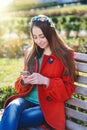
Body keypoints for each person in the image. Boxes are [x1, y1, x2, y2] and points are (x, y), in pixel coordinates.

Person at [0, 14, 76, 130]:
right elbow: (18, 86)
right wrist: (24, 81)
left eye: (42, 36)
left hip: (47, 107)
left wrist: (46, 81)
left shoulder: (65, 55)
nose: (38, 41)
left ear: (50, 33)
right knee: (13, 106)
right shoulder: (31, 53)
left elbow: (68, 89)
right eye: (35, 37)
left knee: (9, 117)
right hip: (26, 100)